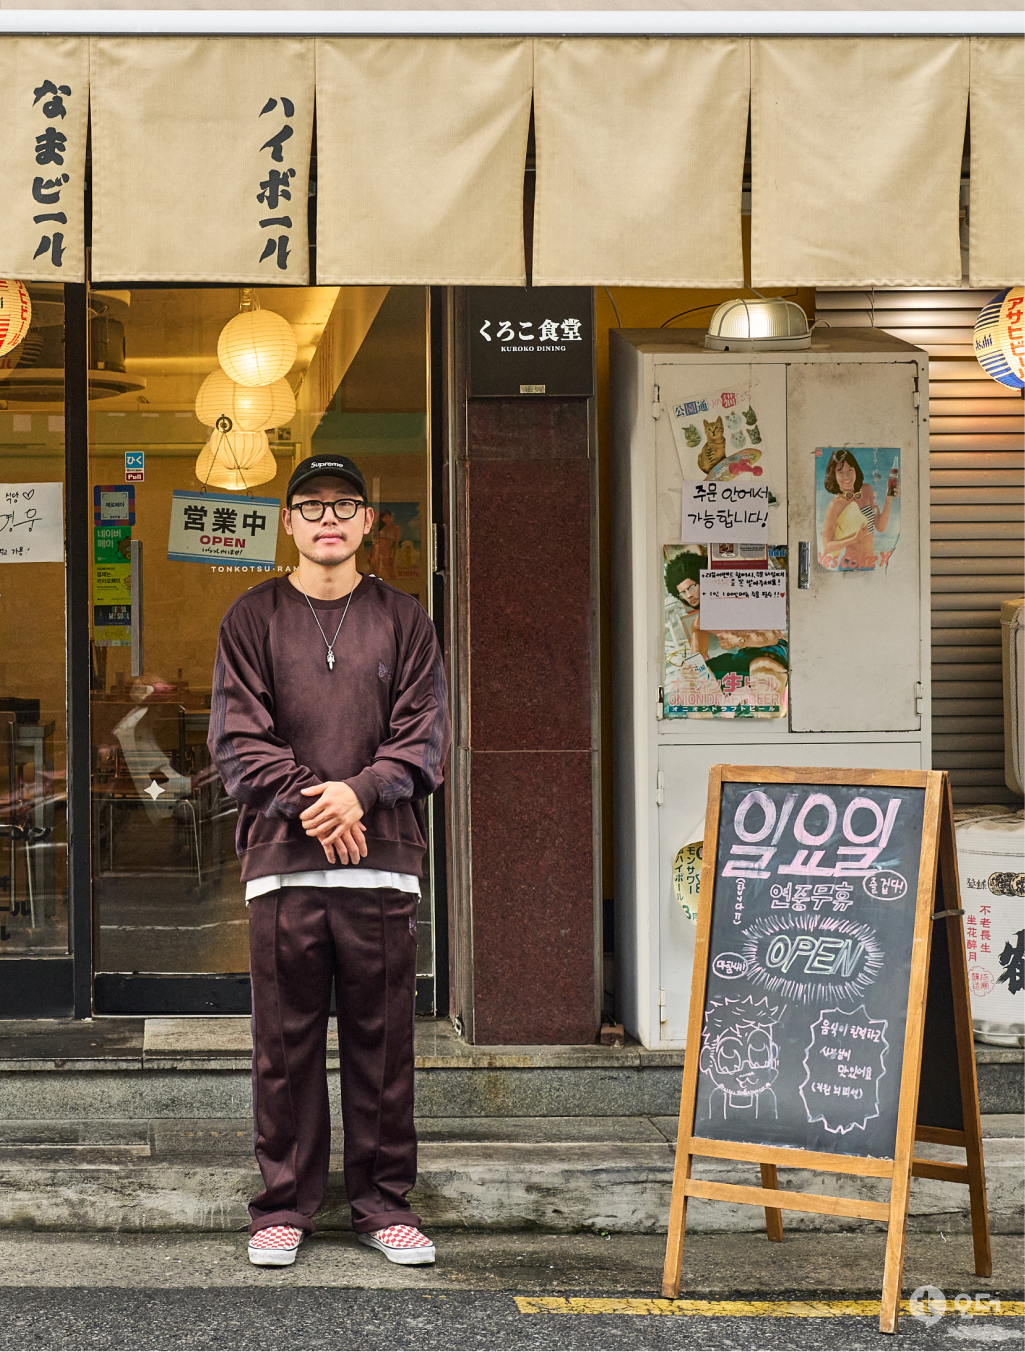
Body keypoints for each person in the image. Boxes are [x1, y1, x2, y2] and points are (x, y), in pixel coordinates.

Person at [208, 453, 451, 1270]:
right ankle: (282, 1206)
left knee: (384, 1049)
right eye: (309, 506)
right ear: (287, 522)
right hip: (282, 865)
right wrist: (323, 802)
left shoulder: (404, 619)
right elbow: (238, 742)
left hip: (381, 867)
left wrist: (361, 792)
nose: (327, 519)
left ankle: (383, 1207)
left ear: (367, 522)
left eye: (343, 505)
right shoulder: (251, 618)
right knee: (285, 1047)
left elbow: (425, 737)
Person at [819, 448, 897, 571]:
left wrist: (888, 499)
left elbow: (880, 527)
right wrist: (854, 539)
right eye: (840, 472)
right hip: (849, 566)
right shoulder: (835, 505)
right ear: (834, 475)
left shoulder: (866, 490)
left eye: (850, 470)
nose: (847, 476)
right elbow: (826, 547)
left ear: (856, 470)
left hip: (869, 563)